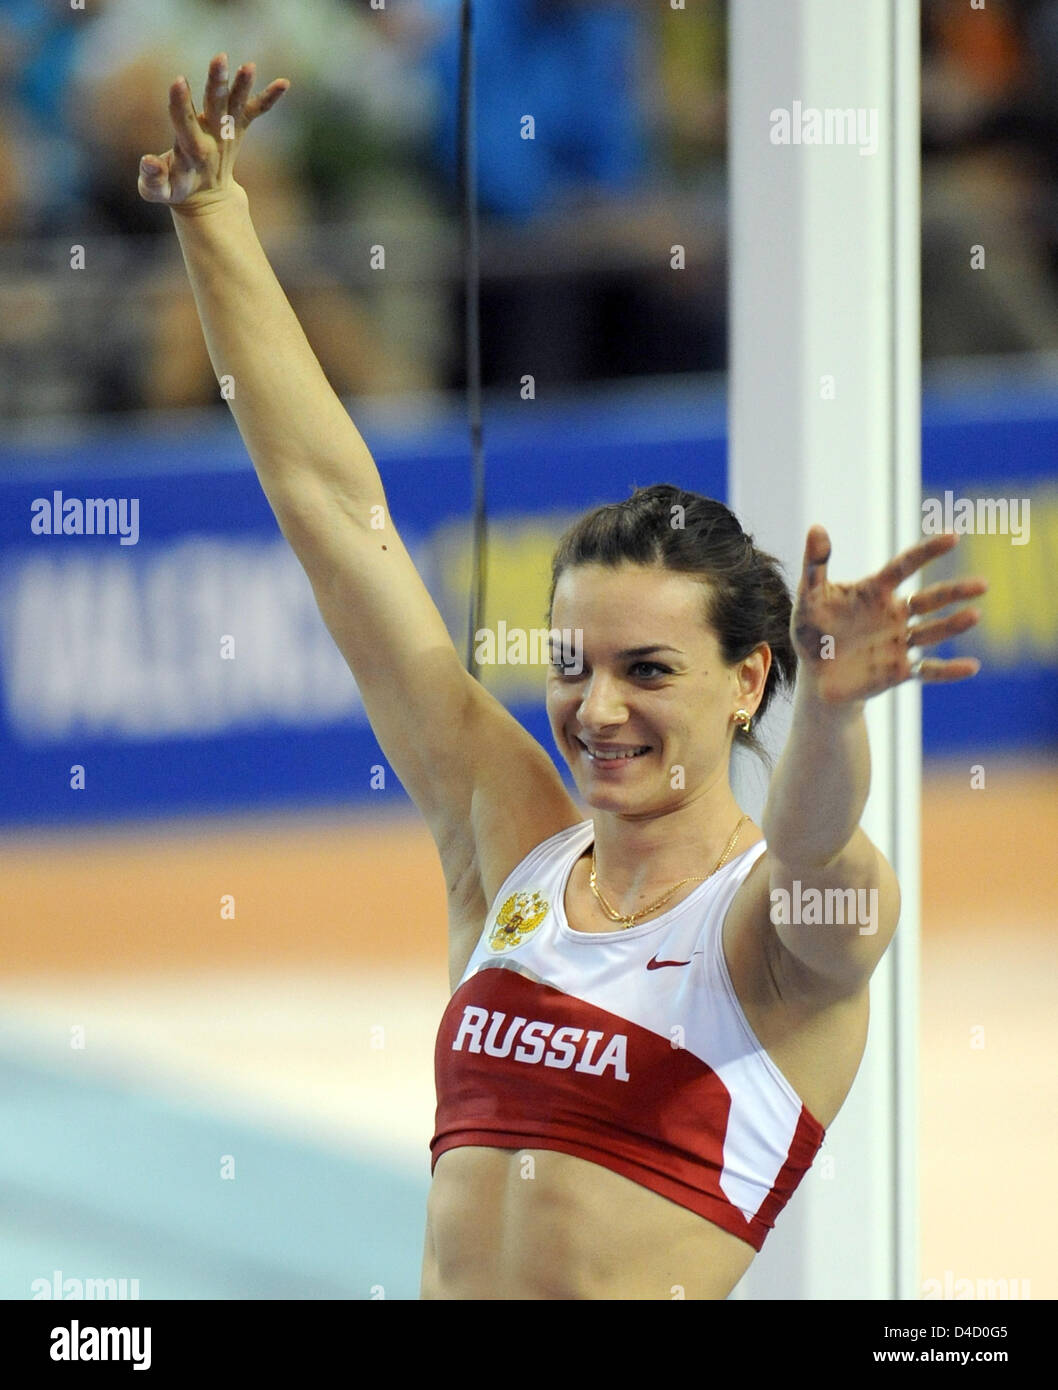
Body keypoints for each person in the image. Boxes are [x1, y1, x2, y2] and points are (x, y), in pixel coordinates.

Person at [138, 56, 987, 1300]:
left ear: (750, 679)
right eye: (571, 663)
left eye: (647, 671)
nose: (596, 710)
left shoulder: (781, 935)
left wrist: (839, 705)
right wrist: (216, 221)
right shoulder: (512, 848)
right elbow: (333, 513)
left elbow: (816, 843)